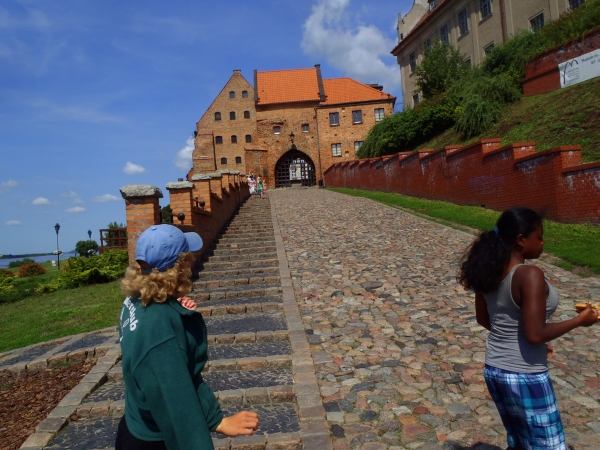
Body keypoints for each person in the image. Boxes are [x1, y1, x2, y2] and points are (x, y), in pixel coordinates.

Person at [458, 207, 598, 450]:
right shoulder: (529, 274)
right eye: (540, 237)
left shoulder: (489, 268)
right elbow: (534, 334)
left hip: (496, 370)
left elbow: (484, 319)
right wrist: (580, 321)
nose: (544, 243)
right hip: (525, 375)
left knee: (522, 442)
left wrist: (535, 338)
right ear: (521, 240)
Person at [116, 224, 259, 450]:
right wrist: (218, 421)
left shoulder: (134, 300)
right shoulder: (160, 329)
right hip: (155, 439)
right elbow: (176, 397)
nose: (192, 261)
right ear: (179, 267)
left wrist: (174, 307)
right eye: (188, 258)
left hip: (135, 423)